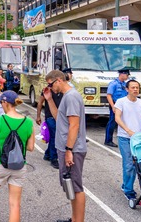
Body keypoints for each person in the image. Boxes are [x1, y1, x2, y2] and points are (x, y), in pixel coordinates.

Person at [0, 90, 35, 222]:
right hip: (19, 165)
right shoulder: (28, 122)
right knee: (15, 204)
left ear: (5, 103)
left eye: (1, 102)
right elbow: (31, 147)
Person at [45, 70, 87, 222]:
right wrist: (49, 99)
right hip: (65, 147)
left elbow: (74, 126)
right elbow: (59, 119)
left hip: (73, 149)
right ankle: (74, 218)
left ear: (58, 80)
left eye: (50, 84)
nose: (49, 88)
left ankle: (78, 220)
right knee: (69, 184)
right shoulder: (66, 97)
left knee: (76, 186)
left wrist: (69, 150)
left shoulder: (71, 97)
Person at [114, 79, 141, 200]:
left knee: (137, 163)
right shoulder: (121, 102)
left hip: (138, 139)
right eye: (133, 87)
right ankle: (129, 191)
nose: (135, 89)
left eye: (137, 88)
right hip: (125, 137)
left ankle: (126, 184)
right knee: (129, 163)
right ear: (127, 89)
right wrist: (128, 130)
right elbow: (117, 118)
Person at [36, 83, 63, 170]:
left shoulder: (62, 90)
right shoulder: (47, 90)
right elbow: (40, 102)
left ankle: (47, 154)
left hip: (60, 116)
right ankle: (53, 159)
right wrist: (38, 116)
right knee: (54, 137)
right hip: (50, 117)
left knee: (53, 137)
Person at [105, 69, 130, 147]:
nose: (127, 76)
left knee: (124, 122)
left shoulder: (125, 84)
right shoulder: (113, 84)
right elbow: (109, 95)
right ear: (122, 74)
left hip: (124, 105)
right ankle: (108, 140)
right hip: (115, 104)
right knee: (112, 122)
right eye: (127, 75)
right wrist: (113, 106)